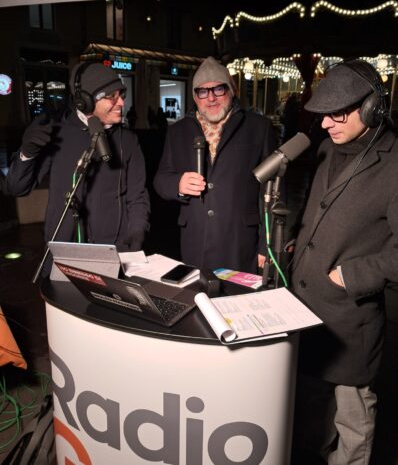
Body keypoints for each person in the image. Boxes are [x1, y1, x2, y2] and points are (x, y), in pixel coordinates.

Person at [290, 59, 398, 465]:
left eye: (338, 113)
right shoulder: (325, 150)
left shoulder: (395, 165)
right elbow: (320, 212)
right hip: (307, 310)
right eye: (323, 115)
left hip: (351, 322)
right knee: (311, 419)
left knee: (352, 426)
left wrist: (350, 275)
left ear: (372, 108)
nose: (326, 124)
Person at [7, 61, 150, 274]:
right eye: (112, 96)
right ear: (86, 101)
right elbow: (17, 187)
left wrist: (136, 233)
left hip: (114, 253)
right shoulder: (56, 133)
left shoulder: (128, 140)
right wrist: (26, 153)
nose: (121, 102)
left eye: (122, 94)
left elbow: (137, 196)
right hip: (65, 253)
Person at [153, 56, 277, 273]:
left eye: (218, 89)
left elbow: (273, 192)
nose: (210, 98)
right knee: (199, 300)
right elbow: (161, 179)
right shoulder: (177, 131)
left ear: (231, 90)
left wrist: (267, 247)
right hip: (194, 240)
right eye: (202, 91)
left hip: (240, 242)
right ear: (195, 96)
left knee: (236, 302)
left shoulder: (259, 128)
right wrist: (177, 184)